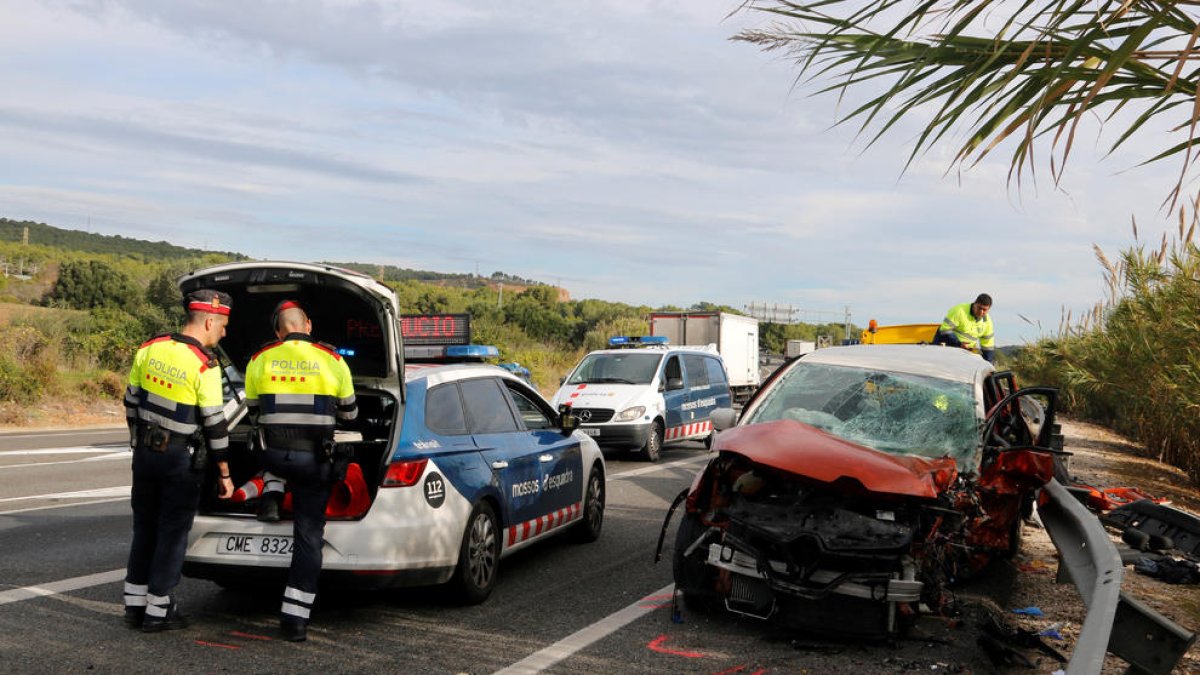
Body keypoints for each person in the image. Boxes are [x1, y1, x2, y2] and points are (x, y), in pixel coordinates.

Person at [244, 300, 357, 642]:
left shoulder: (259, 359)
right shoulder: (333, 360)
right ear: (308, 325)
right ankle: (294, 619)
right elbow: (350, 415)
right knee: (308, 537)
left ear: (278, 331)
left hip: (275, 455)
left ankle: (272, 491)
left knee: (269, 458)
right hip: (314, 461)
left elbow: (253, 411)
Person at [122, 289, 235, 632]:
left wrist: (138, 443)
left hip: (145, 453)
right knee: (171, 533)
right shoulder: (204, 365)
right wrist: (224, 472)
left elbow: (131, 401)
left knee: (144, 527)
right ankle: (158, 611)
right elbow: (215, 424)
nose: (224, 334)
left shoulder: (149, 347)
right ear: (210, 321)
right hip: (178, 460)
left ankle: (134, 605)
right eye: (223, 326)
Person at [933, 293, 996, 362]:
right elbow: (945, 330)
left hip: (967, 353)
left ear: (989, 309)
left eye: (984, 310)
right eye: (979, 308)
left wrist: (988, 364)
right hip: (947, 348)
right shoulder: (959, 310)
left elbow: (987, 346)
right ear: (975, 303)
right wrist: (959, 344)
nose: (981, 312)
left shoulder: (987, 322)